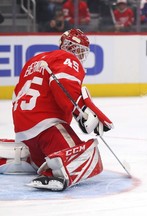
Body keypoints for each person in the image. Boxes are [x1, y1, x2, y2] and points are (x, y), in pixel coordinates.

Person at [5, 29, 113, 191]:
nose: (80, 56)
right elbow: (63, 85)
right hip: (47, 130)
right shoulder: (68, 58)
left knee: (36, 156)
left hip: (23, 132)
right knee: (90, 157)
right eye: (80, 51)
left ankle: (23, 158)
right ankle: (54, 173)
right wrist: (81, 112)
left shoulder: (33, 61)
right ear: (72, 48)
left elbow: (15, 96)